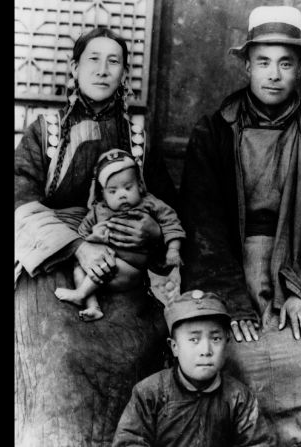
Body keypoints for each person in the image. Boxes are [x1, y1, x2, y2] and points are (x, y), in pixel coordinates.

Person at [179, 6, 301, 446]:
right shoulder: (212, 134)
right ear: (247, 65)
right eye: (264, 62)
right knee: (224, 355)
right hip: (231, 271)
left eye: (285, 63)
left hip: (292, 270)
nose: (274, 74)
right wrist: (229, 301)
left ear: (299, 72)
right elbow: (202, 224)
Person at [14, 27, 178, 446]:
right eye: (93, 59)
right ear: (74, 67)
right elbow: (18, 201)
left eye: (114, 62)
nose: (103, 70)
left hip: (121, 264)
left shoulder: (138, 141)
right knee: (58, 352)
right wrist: (78, 246)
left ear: (124, 73)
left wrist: (154, 233)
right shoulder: (45, 131)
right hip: (51, 260)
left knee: (135, 346)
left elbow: (169, 211)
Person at [112, 290, 273, 447]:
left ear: (227, 342)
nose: (206, 350)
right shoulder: (149, 393)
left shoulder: (239, 398)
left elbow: (258, 443)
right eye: (194, 339)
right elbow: (129, 441)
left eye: (216, 338)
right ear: (174, 347)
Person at [55, 148, 186, 321]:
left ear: (139, 185)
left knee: (109, 264)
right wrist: (93, 237)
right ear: (102, 193)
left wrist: (173, 250)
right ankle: (92, 306)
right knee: (79, 268)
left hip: (131, 269)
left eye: (128, 187)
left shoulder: (150, 203)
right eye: (113, 191)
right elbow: (82, 234)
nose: (122, 195)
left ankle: (81, 293)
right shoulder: (98, 211)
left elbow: (171, 223)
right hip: (104, 269)